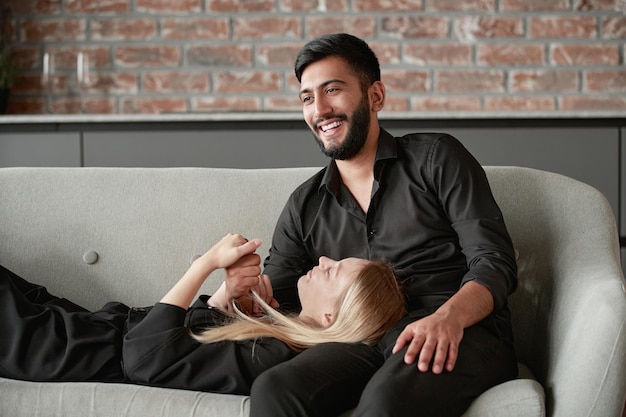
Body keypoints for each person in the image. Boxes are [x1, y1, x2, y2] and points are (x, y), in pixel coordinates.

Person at [237, 33, 519, 417]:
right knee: (275, 388)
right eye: (306, 98)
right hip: (357, 342)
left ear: (376, 96)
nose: (319, 109)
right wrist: (238, 290)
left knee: (386, 401)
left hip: (458, 329)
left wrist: (448, 318)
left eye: (332, 90)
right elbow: (278, 295)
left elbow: (493, 261)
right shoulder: (304, 204)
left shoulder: (437, 159)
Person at [0, 233, 406, 396]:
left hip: (68, 353)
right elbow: (192, 350)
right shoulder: (281, 338)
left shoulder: (276, 356)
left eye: (333, 269)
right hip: (84, 329)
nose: (322, 258)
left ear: (332, 316)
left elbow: (146, 356)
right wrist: (224, 297)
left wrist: (204, 266)